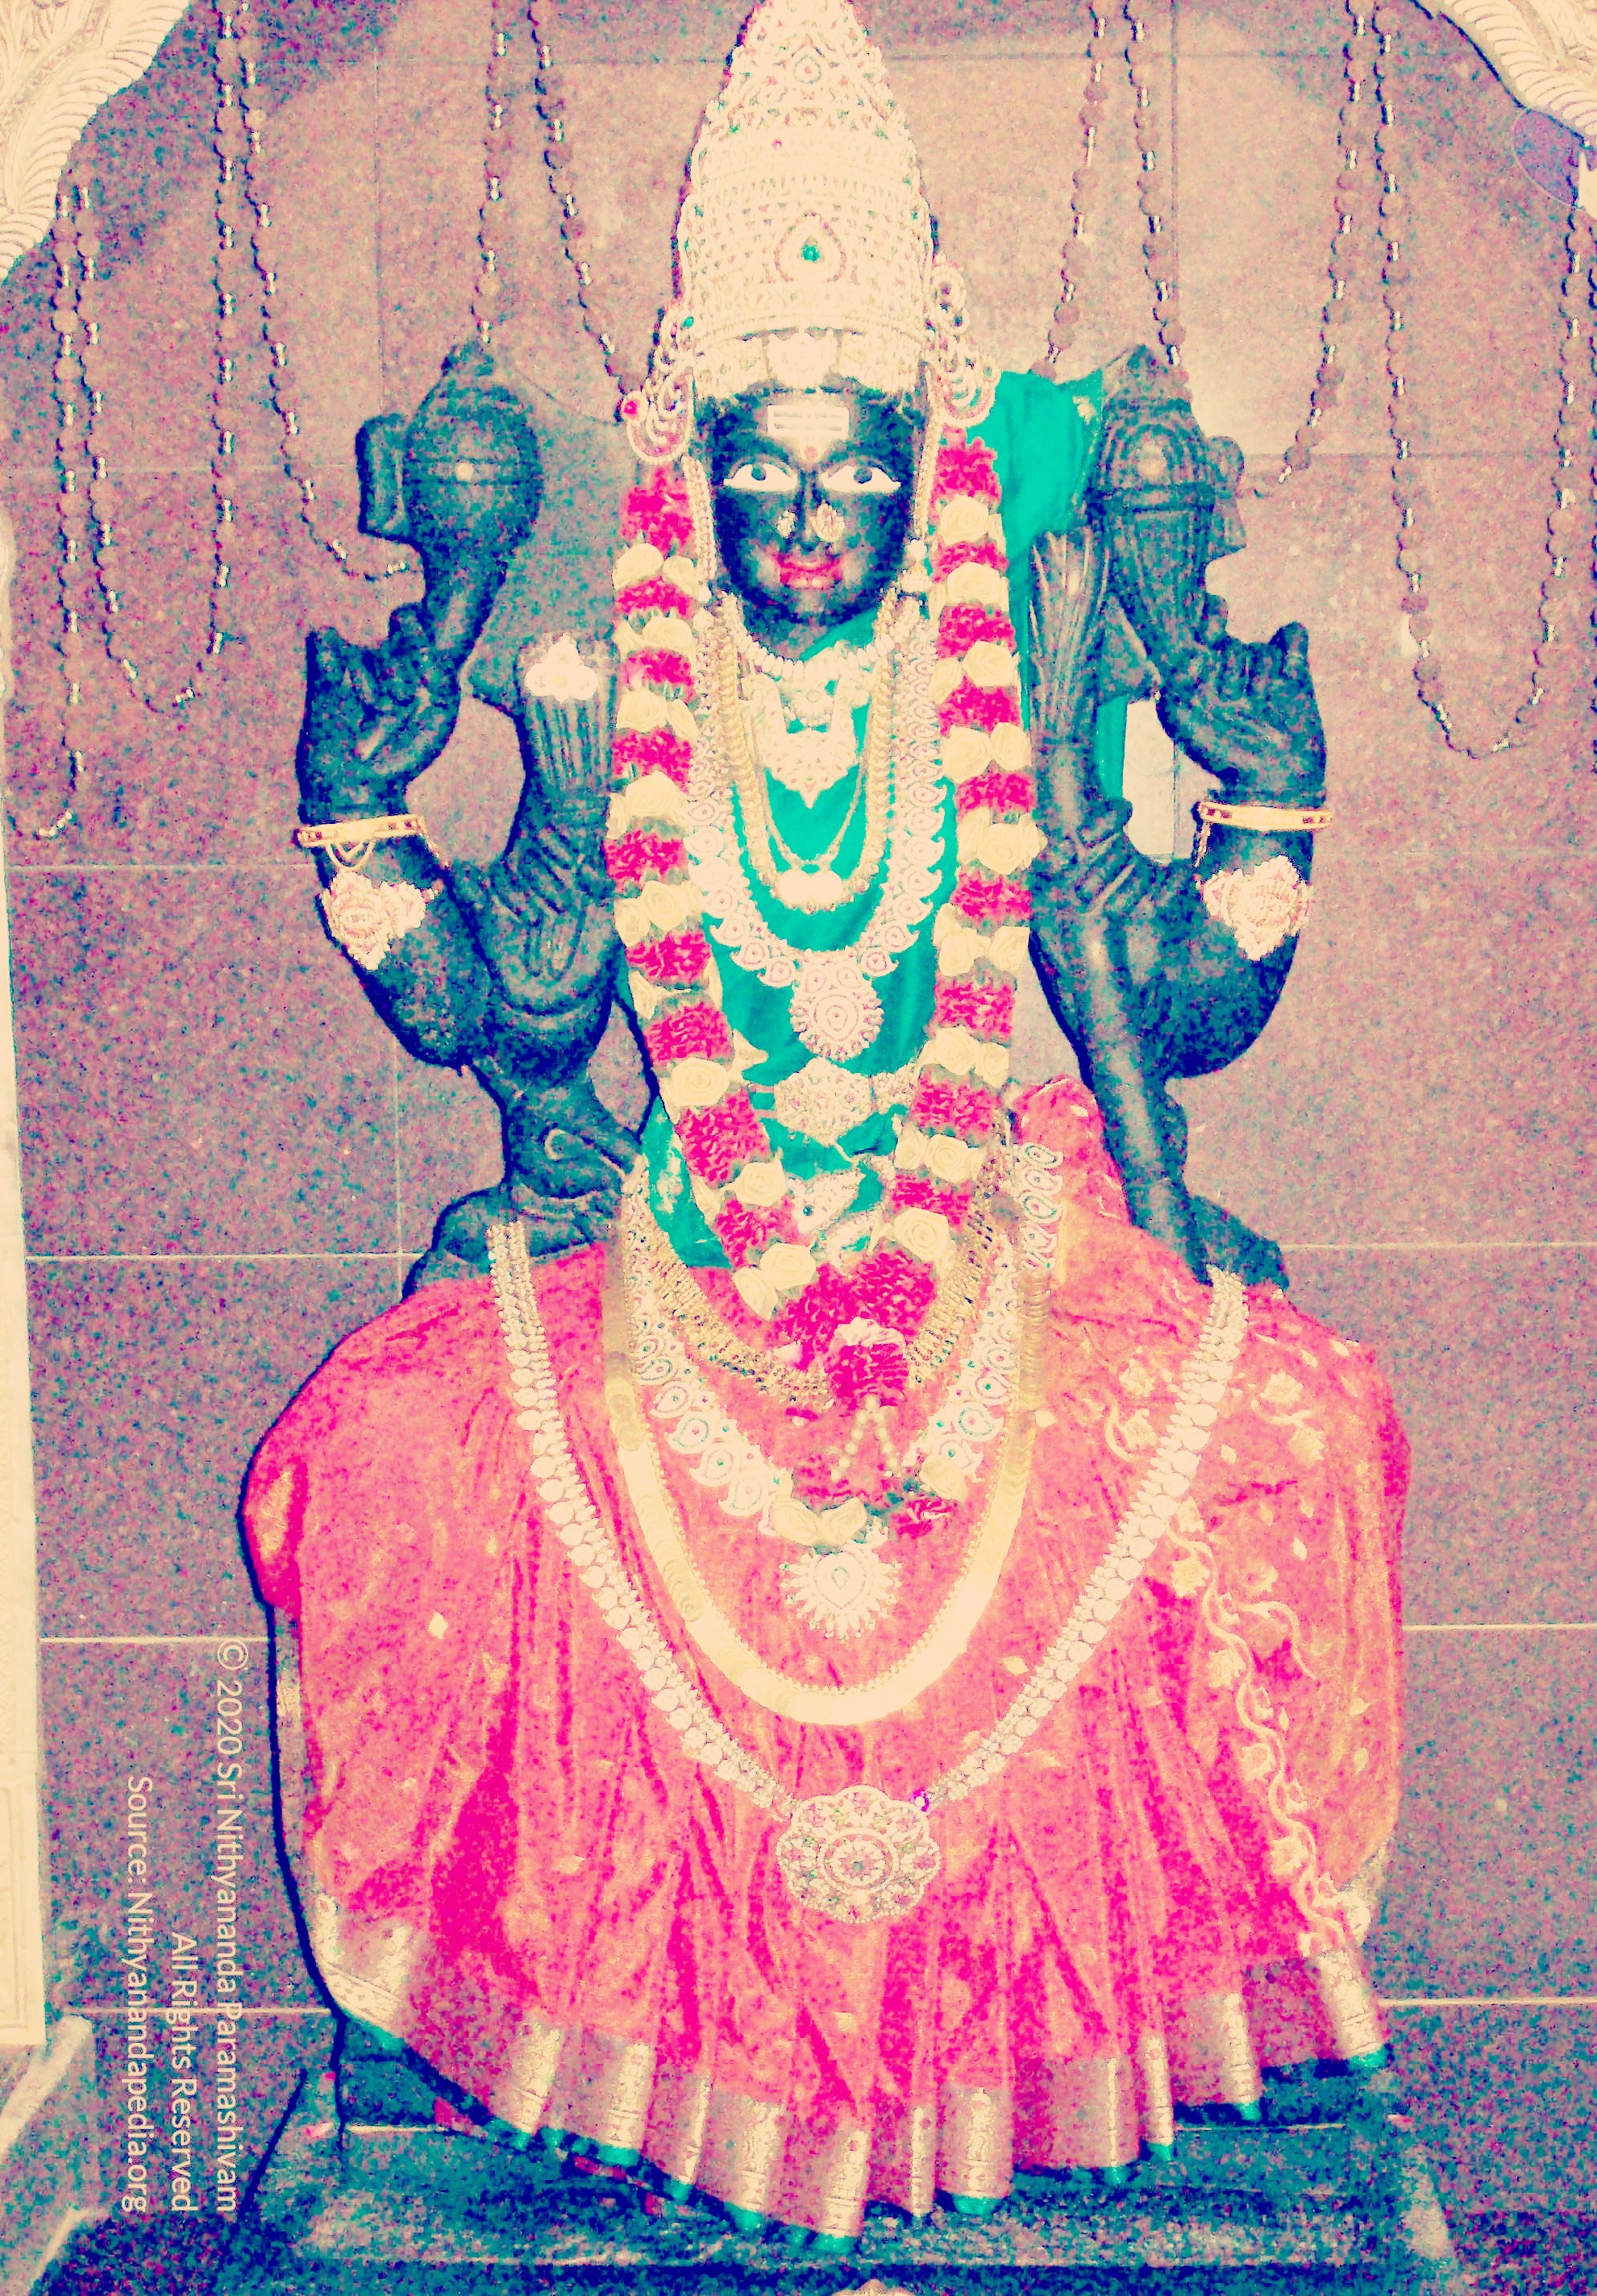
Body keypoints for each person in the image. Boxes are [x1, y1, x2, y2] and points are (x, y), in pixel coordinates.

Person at [243, 0, 1405, 2251]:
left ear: (919, 479)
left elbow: (1167, 996)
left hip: (983, 1244)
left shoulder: (1013, 694)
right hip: (685, 1259)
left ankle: (1087, 2061)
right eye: (760, 473)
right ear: (693, 486)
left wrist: (1267, 820)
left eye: (851, 471)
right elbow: (504, 1001)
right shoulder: (617, 705)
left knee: (1293, 1425)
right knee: (387, 1458)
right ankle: (578, 2054)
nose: (804, 515)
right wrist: (362, 823)